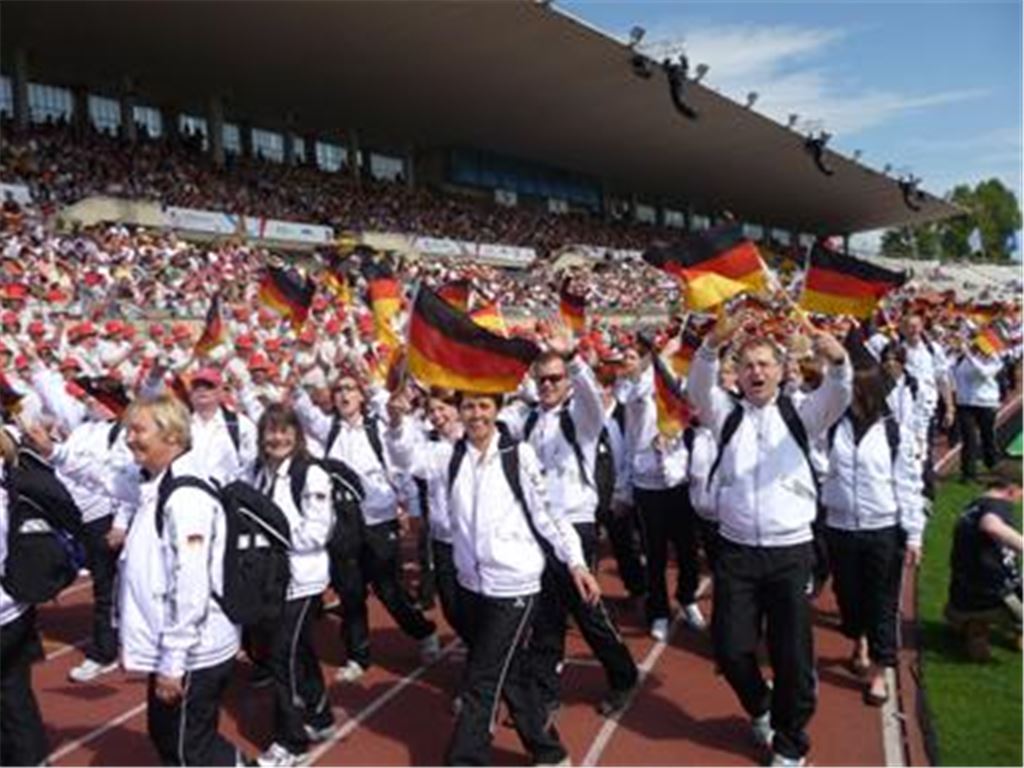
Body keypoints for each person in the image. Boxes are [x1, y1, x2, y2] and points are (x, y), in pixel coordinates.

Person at [688, 310, 852, 767]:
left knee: (791, 654)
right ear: (738, 374)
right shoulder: (726, 415)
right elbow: (698, 388)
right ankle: (760, 705)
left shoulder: (801, 414)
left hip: (790, 552)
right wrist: (709, 347)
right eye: (747, 365)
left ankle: (790, 742)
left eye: (764, 364)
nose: (756, 372)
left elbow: (838, 394)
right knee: (730, 648)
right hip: (737, 550)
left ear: (780, 371)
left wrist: (839, 362)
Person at [441, 390, 599, 766]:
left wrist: (576, 562)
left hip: (515, 584)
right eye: (468, 406)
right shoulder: (453, 455)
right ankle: (549, 751)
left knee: (482, 678)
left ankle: (465, 759)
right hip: (472, 586)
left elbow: (549, 513)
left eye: (483, 406)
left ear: (497, 410)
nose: (476, 414)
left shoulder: (518, 455)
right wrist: (398, 422)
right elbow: (404, 458)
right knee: (510, 673)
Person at [501, 325, 638, 719]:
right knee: (544, 612)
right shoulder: (526, 420)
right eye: (542, 379)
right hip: (538, 528)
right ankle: (545, 693)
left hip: (576, 523)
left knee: (586, 608)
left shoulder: (581, 417)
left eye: (555, 379)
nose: (547, 385)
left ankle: (623, 674)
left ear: (567, 381)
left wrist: (573, 357)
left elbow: (592, 399)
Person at [293, 369, 438, 682]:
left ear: (361, 396)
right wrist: (299, 378)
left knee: (388, 589)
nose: (344, 395)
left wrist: (412, 507)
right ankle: (357, 655)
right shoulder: (328, 428)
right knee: (350, 591)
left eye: (350, 389)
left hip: (378, 520)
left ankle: (424, 631)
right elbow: (304, 410)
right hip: (342, 525)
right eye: (339, 390)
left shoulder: (377, 429)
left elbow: (399, 468)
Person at [820, 354, 924, 706]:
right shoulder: (833, 427)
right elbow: (815, 461)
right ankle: (858, 638)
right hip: (841, 526)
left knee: (882, 600)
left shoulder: (894, 432)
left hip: (882, 528)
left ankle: (881, 670)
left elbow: (908, 484)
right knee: (848, 595)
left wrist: (913, 533)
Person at [253, 404, 336, 767]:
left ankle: (290, 741)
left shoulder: (310, 473)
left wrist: (274, 539)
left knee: (281, 655)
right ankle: (319, 714)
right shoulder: (257, 472)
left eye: (285, 430)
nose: (278, 438)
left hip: (302, 578)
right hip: (272, 579)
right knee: (298, 649)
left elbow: (317, 532)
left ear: (297, 435)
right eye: (271, 431)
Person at [0, 426, 49, 767]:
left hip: (5, 612)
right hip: (14, 607)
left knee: (12, 692)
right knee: (13, 691)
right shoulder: (8, 482)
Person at [945, 484, 1023, 661]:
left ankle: (973, 627)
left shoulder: (972, 507)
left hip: (961, 600)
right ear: (1012, 489)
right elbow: (991, 525)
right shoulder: (998, 505)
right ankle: (1016, 628)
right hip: (994, 598)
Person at [952, 339, 1004, 483]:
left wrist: (968, 355)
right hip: (965, 403)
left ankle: (993, 466)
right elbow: (953, 372)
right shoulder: (964, 359)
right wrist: (956, 354)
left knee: (988, 436)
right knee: (969, 438)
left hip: (986, 403)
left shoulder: (995, 360)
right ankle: (968, 473)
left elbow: (984, 373)